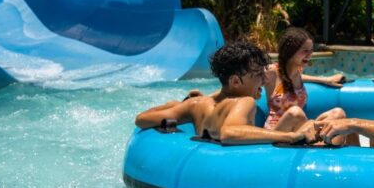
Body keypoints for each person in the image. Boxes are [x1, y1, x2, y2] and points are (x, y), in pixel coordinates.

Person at [134, 41, 317, 145]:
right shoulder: (244, 101)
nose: (265, 79)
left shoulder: (196, 104)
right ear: (236, 81)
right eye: (258, 75)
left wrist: (175, 106)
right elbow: (229, 132)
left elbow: (141, 119)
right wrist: (291, 136)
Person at [263, 27, 357, 144]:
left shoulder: (298, 72)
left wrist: (326, 80)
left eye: (311, 50)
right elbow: (250, 77)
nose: (309, 54)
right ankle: (323, 147)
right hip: (278, 134)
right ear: (291, 51)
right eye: (305, 51)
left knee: (338, 113)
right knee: (296, 113)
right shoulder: (272, 72)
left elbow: (294, 78)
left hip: (301, 130)